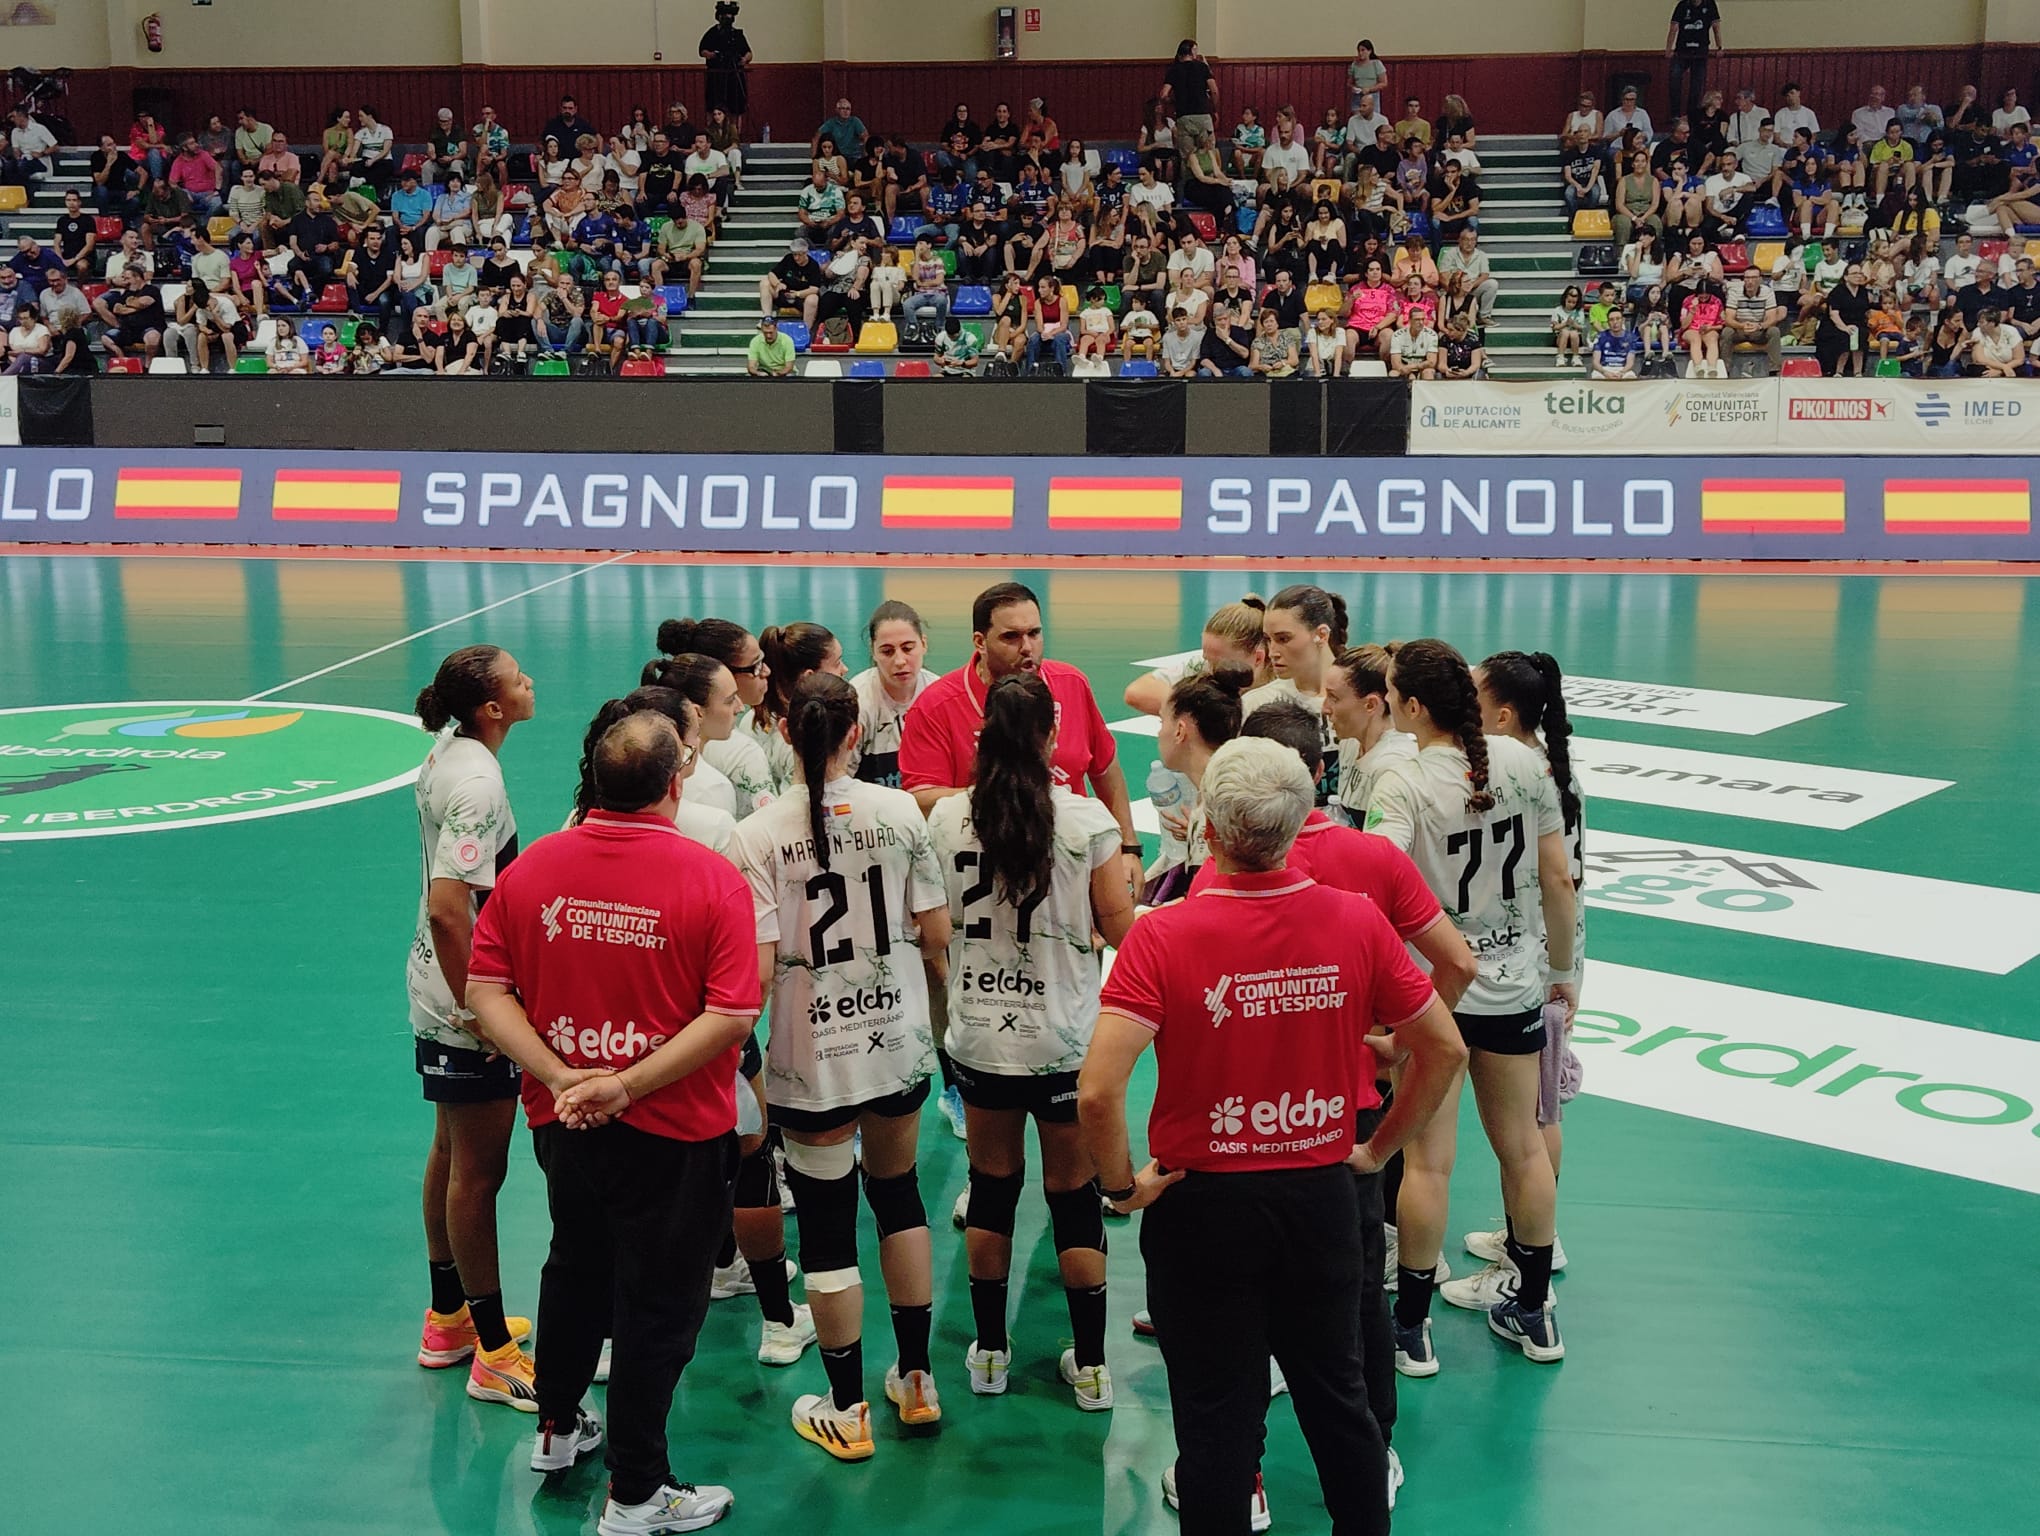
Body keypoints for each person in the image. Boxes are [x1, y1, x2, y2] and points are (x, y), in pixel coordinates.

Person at [1079, 736, 1466, 1536]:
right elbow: (1446, 1048)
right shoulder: (1356, 921)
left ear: (1210, 833)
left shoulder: (1161, 936)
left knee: (1216, 1419)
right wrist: (1378, 1150)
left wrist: (1122, 1188)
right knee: (1341, 1402)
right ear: (1298, 829)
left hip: (1201, 1207)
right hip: (1323, 1194)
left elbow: (1097, 1090)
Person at [465, 710, 752, 1536]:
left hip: (564, 1125)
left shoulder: (535, 869)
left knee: (577, 1265)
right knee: (658, 1307)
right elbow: (731, 1015)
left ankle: (557, 1428)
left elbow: (486, 991)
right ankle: (638, 1491)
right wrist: (624, 1086)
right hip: (673, 1132)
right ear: (677, 781)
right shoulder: (709, 878)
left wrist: (560, 1076)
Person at [734, 674, 952, 1462]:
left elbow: (754, 972)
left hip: (809, 1060)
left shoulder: (757, 833)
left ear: (786, 735)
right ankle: (920, 1379)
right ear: (857, 733)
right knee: (899, 1197)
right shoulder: (899, 812)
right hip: (894, 1043)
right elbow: (935, 932)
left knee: (827, 1228)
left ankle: (848, 1406)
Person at [1362, 640, 1577, 1376]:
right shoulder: (1524, 764)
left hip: (1433, 998)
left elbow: (1375, 886)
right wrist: (1562, 971)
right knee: (1522, 1145)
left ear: (1414, 706)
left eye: (1391, 693)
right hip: (1516, 986)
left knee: (1429, 1163)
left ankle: (1412, 1328)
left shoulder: (1401, 782)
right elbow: (1558, 878)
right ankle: (1536, 1311)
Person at [927, 673, 1135, 1409]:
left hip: (979, 1039)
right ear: (1051, 738)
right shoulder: (1085, 825)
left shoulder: (949, 818)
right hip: (1063, 1040)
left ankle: (988, 1352)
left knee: (992, 1188)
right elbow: (1121, 933)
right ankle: (1091, 1364)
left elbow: (934, 923)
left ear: (984, 738)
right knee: (1073, 1199)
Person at [404, 647, 538, 1408]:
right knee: (481, 1172)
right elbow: (450, 909)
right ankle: (492, 1351)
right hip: (461, 991)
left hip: (436, 980)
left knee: (452, 1149)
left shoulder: (450, 751)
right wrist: (478, 1007)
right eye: (518, 679)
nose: (530, 684)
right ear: (490, 708)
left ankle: (449, 1316)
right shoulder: (480, 782)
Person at [1458, 651, 1586, 1280]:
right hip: (1545, 952)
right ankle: (1525, 1235)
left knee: (1534, 1116)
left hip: (1533, 956)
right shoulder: (1547, 768)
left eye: (1473, 698)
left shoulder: (1520, 776)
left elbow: (1556, 880)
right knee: (1533, 1114)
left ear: (1502, 715)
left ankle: (1534, 1246)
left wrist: (1560, 966)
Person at [901, 581, 1141, 882]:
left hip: (1070, 864)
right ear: (979, 641)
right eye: (1011, 637)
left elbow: (1105, 768)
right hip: (982, 869)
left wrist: (1129, 847)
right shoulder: (935, 707)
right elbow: (921, 798)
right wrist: (1009, 794)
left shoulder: (1071, 683)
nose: (1027, 647)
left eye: (1034, 633)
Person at [1243, 584, 1349, 807]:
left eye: (1283, 639)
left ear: (1321, 634)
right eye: (1268, 639)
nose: (1272, 652)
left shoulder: (1363, 700)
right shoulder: (1255, 705)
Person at [851, 601, 939, 789]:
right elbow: (840, 781)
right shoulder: (857, 701)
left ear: (923, 644)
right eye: (887, 651)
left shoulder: (939, 695)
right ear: (873, 651)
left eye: (908, 648)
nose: (899, 661)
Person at [700, 1, 753, 134]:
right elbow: (702, 51)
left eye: (730, 15)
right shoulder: (712, 33)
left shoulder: (737, 35)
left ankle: (735, 135)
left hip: (734, 75)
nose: (727, 18)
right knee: (713, 107)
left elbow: (749, 53)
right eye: (724, 15)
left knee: (736, 108)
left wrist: (744, 60)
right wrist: (713, 55)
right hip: (716, 76)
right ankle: (712, 135)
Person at [1665, 0, 1722, 123]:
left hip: (1700, 52)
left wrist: (1719, 47)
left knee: (1696, 87)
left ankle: (1691, 116)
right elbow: (1673, 28)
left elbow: (1716, 27)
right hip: (1682, 51)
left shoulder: (1710, 4)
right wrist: (1668, 49)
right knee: (1674, 79)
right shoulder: (1682, 5)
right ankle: (1675, 114)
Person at [1162, 39, 1218, 159]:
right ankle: (1208, 177)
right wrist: (1214, 109)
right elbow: (1214, 90)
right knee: (1208, 154)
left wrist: (1174, 102)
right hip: (1202, 115)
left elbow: (1163, 95)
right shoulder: (1202, 67)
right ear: (1192, 51)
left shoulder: (1173, 70)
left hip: (1184, 117)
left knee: (1188, 156)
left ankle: (1189, 176)